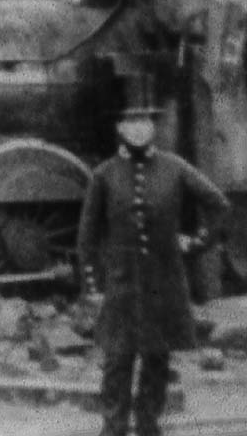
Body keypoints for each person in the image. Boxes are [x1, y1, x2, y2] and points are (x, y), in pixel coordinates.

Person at [77, 106, 231, 436]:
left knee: (156, 361)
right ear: (119, 127)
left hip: (165, 283)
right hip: (122, 285)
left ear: (153, 127)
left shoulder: (175, 168)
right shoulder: (104, 174)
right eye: (130, 122)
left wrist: (197, 243)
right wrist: (92, 284)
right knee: (117, 361)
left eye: (144, 122)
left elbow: (218, 204)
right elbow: (87, 236)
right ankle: (113, 427)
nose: (137, 129)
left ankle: (149, 425)